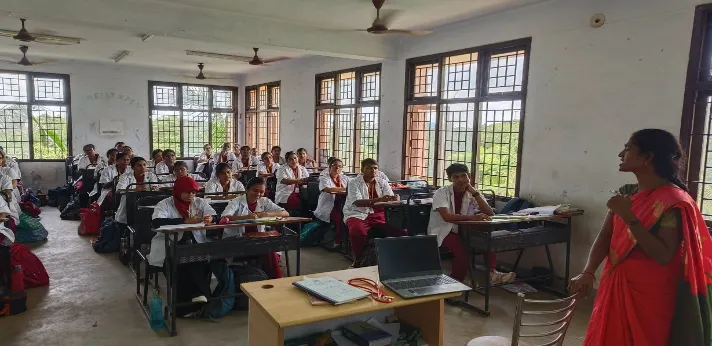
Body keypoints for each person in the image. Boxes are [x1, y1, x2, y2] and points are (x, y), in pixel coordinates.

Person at [569, 129, 712, 346]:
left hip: (651, 292)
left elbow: (664, 254)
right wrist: (588, 271)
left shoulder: (672, 200)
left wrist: (628, 216)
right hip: (617, 280)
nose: (620, 154)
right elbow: (606, 234)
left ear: (648, 157)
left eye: (627, 149)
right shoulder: (627, 192)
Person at [427, 163, 514, 284]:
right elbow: (446, 217)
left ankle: (492, 272)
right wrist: (473, 218)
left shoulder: (472, 193)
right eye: (456, 177)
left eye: (464, 176)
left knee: (486, 236)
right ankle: (454, 285)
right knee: (463, 255)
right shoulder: (441, 193)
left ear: (469, 176)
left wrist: (475, 193)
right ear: (450, 179)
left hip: (464, 228)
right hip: (445, 230)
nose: (461, 180)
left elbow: (490, 213)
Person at [149, 176, 217, 306]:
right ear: (178, 190)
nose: (191, 195)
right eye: (187, 192)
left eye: (193, 192)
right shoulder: (165, 204)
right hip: (170, 245)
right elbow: (156, 222)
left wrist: (211, 219)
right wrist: (184, 221)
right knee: (179, 264)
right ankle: (187, 302)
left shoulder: (199, 202)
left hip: (195, 243)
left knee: (202, 261)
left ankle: (199, 297)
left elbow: (215, 215)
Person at [220, 177, 289, 279]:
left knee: (270, 249)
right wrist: (247, 217)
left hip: (257, 240)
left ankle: (271, 279)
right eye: (255, 190)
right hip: (237, 240)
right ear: (247, 190)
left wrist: (265, 214)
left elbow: (285, 213)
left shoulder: (264, 201)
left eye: (261, 192)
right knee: (269, 250)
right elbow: (224, 217)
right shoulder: (236, 201)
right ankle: (276, 280)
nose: (258, 194)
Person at [343, 158, 407, 260]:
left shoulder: (382, 182)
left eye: (375, 168)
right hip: (357, 214)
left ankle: (393, 258)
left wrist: (394, 198)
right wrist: (380, 199)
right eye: (369, 168)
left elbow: (390, 198)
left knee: (401, 230)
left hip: (379, 214)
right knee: (357, 231)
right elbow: (357, 202)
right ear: (362, 170)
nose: (373, 171)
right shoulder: (353, 183)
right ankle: (361, 259)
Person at [313, 157, 349, 249]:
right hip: (330, 207)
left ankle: (347, 242)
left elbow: (353, 187)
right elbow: (327, 189)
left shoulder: (345, 178)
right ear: (329, 167)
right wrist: (345, 189)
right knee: (340, 218)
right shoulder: (324, 178)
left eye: (340, 166)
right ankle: (337, 242)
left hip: (343, 205)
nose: (337, 168)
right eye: (334, 166)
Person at [115, 157, 160, 224]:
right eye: (139, 165)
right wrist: (134, 190)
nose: (142, 167)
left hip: (147, 199)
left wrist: (155, 188)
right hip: (131, 200)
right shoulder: (125, 176)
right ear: (133, 167)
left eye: (144, 165)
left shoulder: (151, 175)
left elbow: (154, 186)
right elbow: (119, 190)